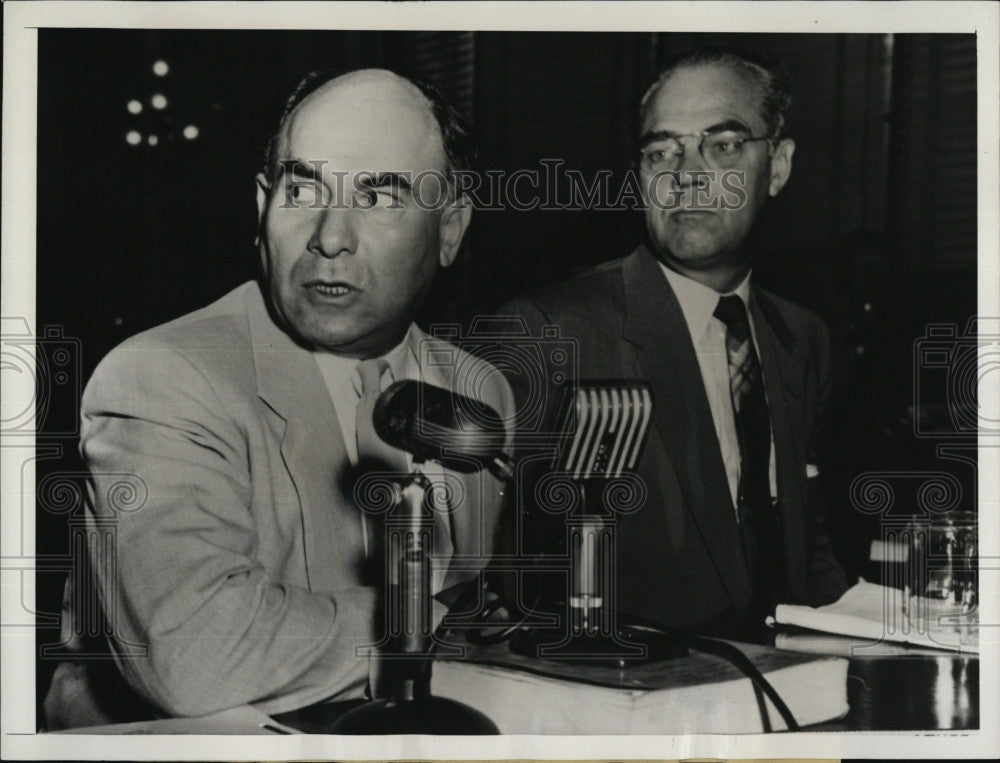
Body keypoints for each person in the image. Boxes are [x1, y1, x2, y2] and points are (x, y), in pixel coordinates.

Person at [44, 68, 513, 728]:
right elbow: (199, 654)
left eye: (379, 197)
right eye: (303, 188)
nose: (329, 237)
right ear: (262, 207)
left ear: (450, 229)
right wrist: (440, 619)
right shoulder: (160, 379)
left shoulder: (476, 389)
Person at [500, 49, 847, 640]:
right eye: (662, 151)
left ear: (780, 166)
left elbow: (802, 551)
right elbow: (507, 583)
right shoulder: (548, 333)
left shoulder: (802, 338)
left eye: (724, 145)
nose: (686, 173)